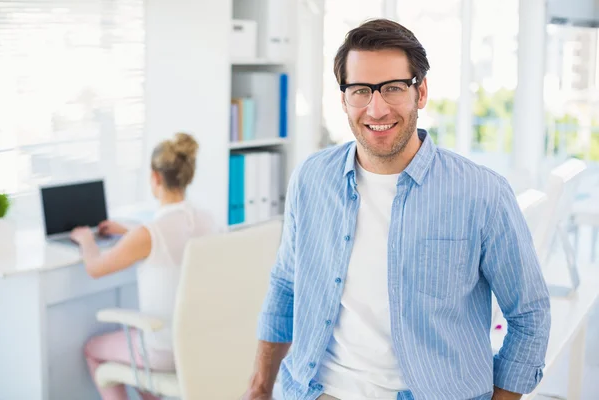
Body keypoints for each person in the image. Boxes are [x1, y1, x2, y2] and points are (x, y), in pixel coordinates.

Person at [243, 19, 551, 400]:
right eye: (360, 90)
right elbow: (286, 286)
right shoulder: (311, 179)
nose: (376, 108)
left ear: (420, 92)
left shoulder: (482, 193)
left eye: (392, 88)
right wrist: (258, 388)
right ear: (343, 99)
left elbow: (529, 315)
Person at [70, 132, 216, 400]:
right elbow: (169, 237)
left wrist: (86, 240)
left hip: (162, 353)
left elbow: (95, 268)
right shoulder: (207, 220)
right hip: (198, 345)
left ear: (155, 178)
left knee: (93, 349)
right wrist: (129, 231)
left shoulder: (148, 233)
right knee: (138, 354)